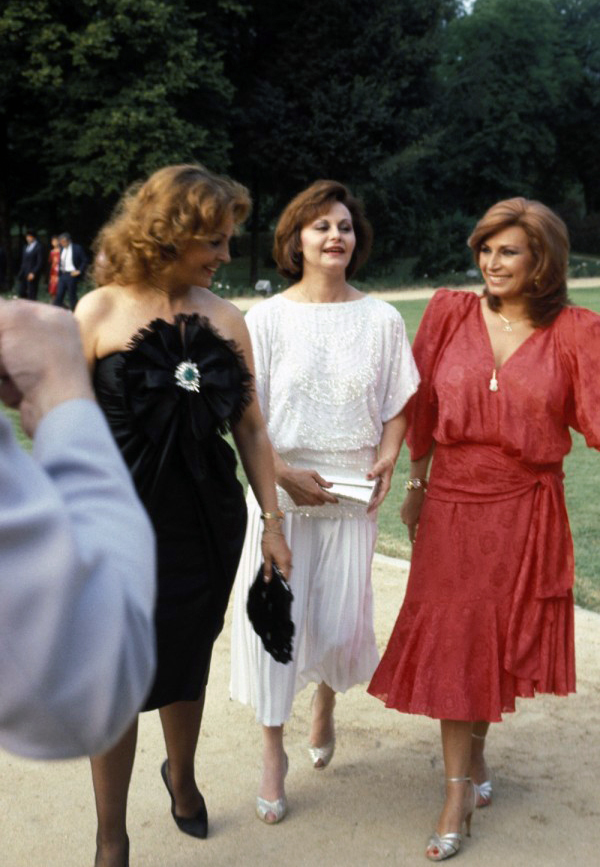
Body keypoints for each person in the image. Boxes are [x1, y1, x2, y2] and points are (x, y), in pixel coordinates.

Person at [368, 197, 600, 861]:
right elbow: (422, 406)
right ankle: (455, 789)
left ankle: (472, 758)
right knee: (457, 641)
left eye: (509, 251)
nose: (491, 262)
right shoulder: (448, 313)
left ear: (542, 262)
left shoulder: (575, 332)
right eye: (486, 249)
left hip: (526, 509)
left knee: (491, 643)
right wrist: (416, 484)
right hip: (453, 505)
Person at [75, 163, 291, 867]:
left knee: (185, 656)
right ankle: (112, 837)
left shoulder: (227, 319)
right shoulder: (98, 311)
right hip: (110, 525)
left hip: (204, 524)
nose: (228, 256)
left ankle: (183, 776)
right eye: (216, 243)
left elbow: (252, 429)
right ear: (170, 234)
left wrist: (273, 521)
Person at [230, 180, 419, 824]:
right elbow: (246, 419)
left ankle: (326, 702)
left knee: (338, 628)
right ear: (296, 241)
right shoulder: (266, 320)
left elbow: (399, 403)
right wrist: (280, 474)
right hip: (279, 496)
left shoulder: (383, 319)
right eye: (321, 227)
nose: (336, 235)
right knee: (272, 629)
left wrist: (391, 452)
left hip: (350, 498)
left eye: (344, 226)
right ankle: (272, 752)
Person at [0, 298, 156, 759]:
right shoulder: (99, 308)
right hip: (118, 515)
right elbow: (77, 682)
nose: (227, 255)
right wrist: (61, 390)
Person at [54, 231, 88, 309]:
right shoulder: (62, 249)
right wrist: (59, 275)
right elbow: (60, 262)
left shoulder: (77, 248)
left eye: (64, 242)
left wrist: (79, 271)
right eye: (61, 242)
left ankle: (74, 313)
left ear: (69, 241)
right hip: (63, 275)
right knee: (58, 296)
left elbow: (85, 260)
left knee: (72, 296)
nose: (62, 243)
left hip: (72, 275)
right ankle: (58, 313)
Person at [17, 229, 44, 300]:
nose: (28, 238)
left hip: (32, 273)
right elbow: (23, 261)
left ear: (34, 237)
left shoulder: (39, 247)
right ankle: (24, 307)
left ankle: (32, 308)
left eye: (29, 236)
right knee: (21, 291)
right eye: (27, 236)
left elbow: (40, 262)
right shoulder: (25, 247)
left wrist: (33, 272)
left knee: (32, 293)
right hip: (24, 272)